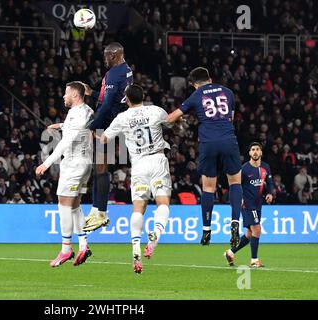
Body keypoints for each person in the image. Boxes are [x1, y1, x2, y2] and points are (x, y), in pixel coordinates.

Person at [100, 84, 176, 274]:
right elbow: (170, 123)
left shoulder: (122, 117)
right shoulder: (155, 110)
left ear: (126, 99)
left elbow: (104, 139)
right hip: (158, 160)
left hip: (139, 165)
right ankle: (155, 235)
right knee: (163, 203)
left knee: (138, 207)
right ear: (143, 96)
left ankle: (135, 248)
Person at [167, 67, 243, 248]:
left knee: (208, 188)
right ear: (210, 78)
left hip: (208, 143)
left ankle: (207, 229)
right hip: (228, 139)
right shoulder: (228, 92)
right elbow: (230, 118)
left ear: (194, 84)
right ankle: (235, 224)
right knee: (235, 183)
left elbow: (171, 118)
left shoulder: (196, 95)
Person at [36, 81, 94, 267]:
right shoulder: (86, 111)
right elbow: (79, 127)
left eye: (66, 93)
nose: (63, 96)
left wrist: (46, 163)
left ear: (75, 96)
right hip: (85, 164)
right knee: (75, 205)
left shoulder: (77, 113)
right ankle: (84, 245)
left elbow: (66, 142)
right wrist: (61, 125)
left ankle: (66, 249)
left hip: (74, 164)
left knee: (64, 205)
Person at [81, 42, 133, 232]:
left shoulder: (114, 73)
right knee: (99, 167)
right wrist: (92, 93)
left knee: (101, 167)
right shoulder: (126, 70)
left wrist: (93, 126)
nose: (105, 58)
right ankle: (97, 210)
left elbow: (107, 105)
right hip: (114, 119)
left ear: (116, 55)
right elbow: (111, 97)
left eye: (107, 55)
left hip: (108, 121)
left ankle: (101, 213)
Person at [224, 142, 274, 268]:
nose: (255, 152)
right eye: (253, 149)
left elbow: (269, 183)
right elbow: (236, 185)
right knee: (257, 229)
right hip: (247, 204)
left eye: (257, 149)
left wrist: (270, 194)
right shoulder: (244, 169)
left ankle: (230, 253)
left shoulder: (266, 167)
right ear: (250, 153)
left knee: (249, 234)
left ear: (261, 152)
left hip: (258, 204)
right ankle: (254, 260)